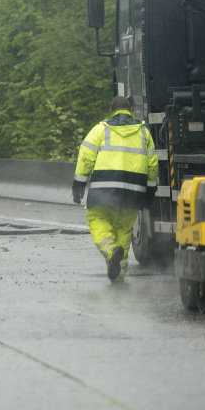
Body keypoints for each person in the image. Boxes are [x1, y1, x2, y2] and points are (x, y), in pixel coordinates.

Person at [72, 96, 158, 282]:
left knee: (98, 221)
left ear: (111, 111)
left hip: (104, 192)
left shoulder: (100, 130)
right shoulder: (144, 133)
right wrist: (150, 192)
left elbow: (85, 156)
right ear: (131, 111)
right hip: (132, 195)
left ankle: (111, 251)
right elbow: (153, 165)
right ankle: (118, 275)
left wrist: (79, 184)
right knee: (124, 232)